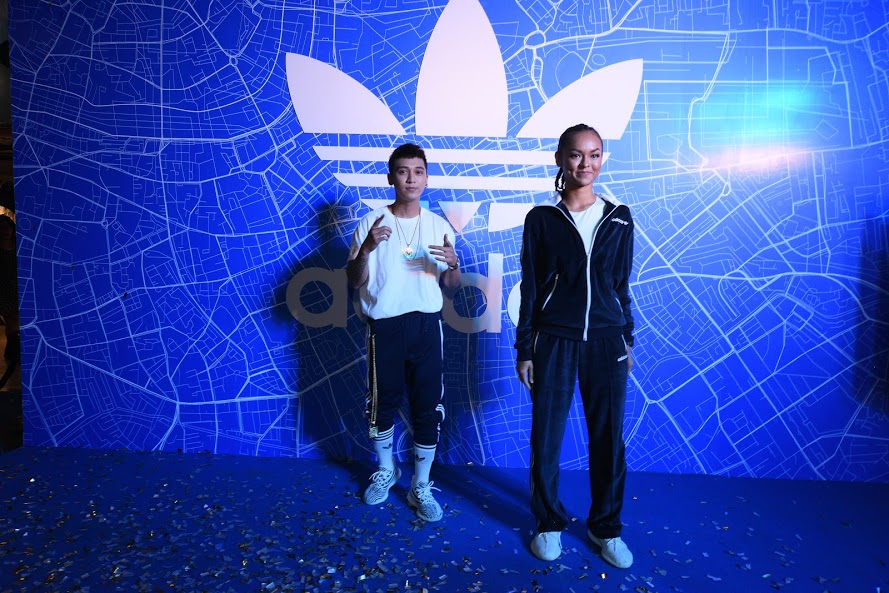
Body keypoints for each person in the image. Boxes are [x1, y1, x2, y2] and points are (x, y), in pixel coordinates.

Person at [515, 124, 636, 568]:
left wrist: (627, 338)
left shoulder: (619, 216)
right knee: (546, 438)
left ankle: (606, 528)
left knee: (608, 441)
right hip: (555, 342)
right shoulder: (541, 220)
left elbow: (620, 285)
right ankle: (548, 523)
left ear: (603, 158)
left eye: (595, 154)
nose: (586, 163)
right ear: (560, 159)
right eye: (576, 154)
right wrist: (525, 349)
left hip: (607, 342)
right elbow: (531, 287)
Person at [346, 143, 461, 522]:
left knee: (428, 407)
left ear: (427, 179)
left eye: (418, 171)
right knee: (382, 404)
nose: (411, 179)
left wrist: (454, 264)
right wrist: (366, 250)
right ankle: (386, 469)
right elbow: (354, 280)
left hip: (427, 325)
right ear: (390, 178)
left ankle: (420, 485)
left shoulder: (439, 226)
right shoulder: (371, 222)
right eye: (403, 171)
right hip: (385, 326)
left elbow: (452, 286)